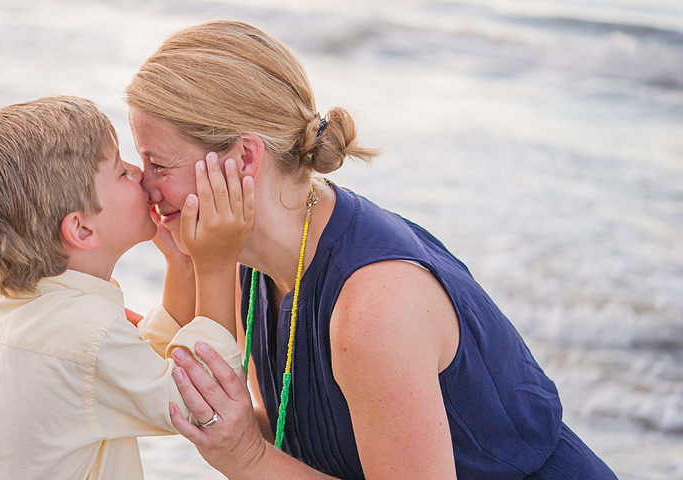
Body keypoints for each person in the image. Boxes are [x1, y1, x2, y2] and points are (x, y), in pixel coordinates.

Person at [125, 20, 617, 479]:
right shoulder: (247, 264)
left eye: (158, 164)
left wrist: (247, 458)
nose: (143, 185)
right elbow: (293, 430)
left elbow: (260, 451)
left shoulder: (373, 309)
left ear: (246, 158)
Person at [0, 95, 254, 479]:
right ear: (81, 229)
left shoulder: (10, 311)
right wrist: (215, 264)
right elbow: (201, 400)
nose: (139, 173)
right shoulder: (84, 332)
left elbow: (129, 370)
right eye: (120, 172)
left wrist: (181, 264)